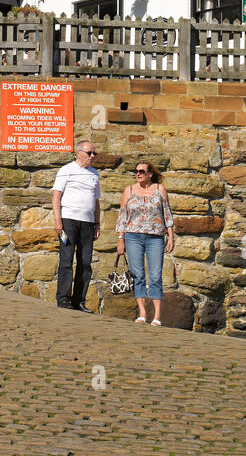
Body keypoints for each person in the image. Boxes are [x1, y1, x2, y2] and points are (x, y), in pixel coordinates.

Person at [115, 160, 174, 325]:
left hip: (155, 237)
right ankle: (142, 312)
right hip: (133, 236)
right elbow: (123, 216)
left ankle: (157, 316)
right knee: (137, 275)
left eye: (142, 171)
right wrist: (121, 238)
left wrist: (171, 236)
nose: (138, 173)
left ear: (150, 174)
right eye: (136, 171)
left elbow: (167, 213)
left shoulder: (159, 189)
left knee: (155, 275)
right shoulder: (129, 190)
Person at [51, 139, 101, 311]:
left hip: (87, 223)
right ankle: (63, 298)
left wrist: (97, 223)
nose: (92, 156)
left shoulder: (94, 174)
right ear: (78, 153)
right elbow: (56, 196)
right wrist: (58, 220)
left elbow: (96, 201)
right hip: (69, 220)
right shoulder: (66, 170)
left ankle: (79, 300)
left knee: (85, 262)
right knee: (66, 259)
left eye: (94, 153)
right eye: (89, 153)